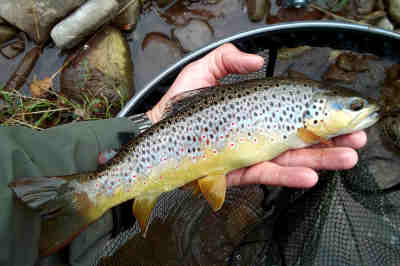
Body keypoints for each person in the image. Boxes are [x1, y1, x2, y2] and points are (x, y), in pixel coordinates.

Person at [1, 43, 366, 266]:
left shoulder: (306, 117)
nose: (359, 112)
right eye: (353, 107)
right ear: (318, 109)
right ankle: (87, 197)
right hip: (172, 144)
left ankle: (83, 198)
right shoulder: (306, 122)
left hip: (176, 149)